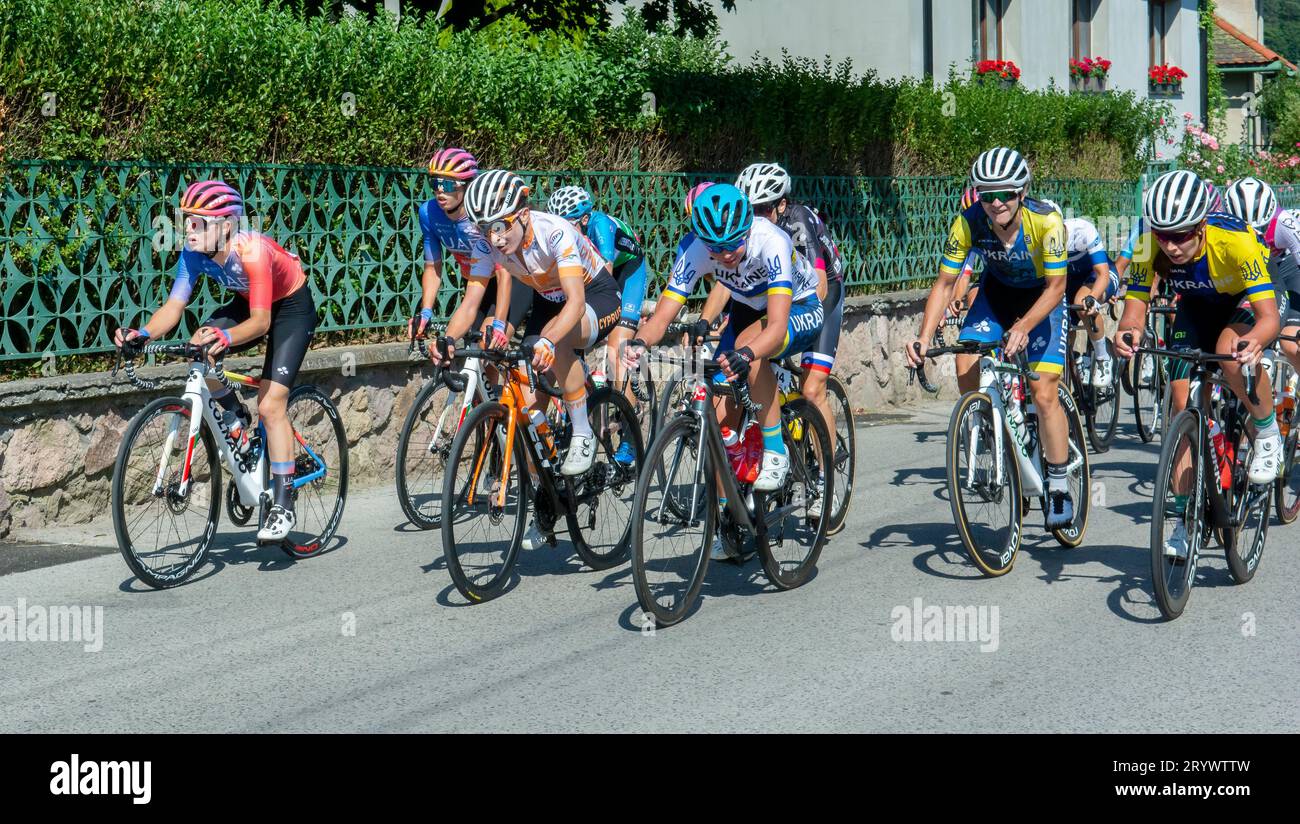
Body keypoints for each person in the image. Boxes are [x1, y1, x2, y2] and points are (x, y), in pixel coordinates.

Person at [114, 180, 315, 542]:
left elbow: (262, 322)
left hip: (289, 308)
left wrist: (225, 337)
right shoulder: (193, 252)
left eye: (198, 223)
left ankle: (283, 503)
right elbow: (175, 307)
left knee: (271, 405)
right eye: (186, 221)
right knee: (198, 346)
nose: (188, 230)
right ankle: (234, 415)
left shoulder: (251, 250)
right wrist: (141, 334)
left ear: (225, 226)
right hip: (249, 300)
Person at [1113, 170, 1281, 560]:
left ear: (1202, 226)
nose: (1170, 246)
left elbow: (1269, 318)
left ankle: (1267, 429)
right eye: (1162, 235)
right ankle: (1184, 519)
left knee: (1229, 352)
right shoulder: (1146, 244)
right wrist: (1130, 333)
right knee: (1180, 404)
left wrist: (1254, 342)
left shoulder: (1237, 242)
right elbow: (1135, 307)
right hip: (1196, 306)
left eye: (1181, 235)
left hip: (1243, 302)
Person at [905, 147, 1076, 528]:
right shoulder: (967, 222)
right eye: (987, 195)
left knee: (1044, 391)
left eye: (1005, 194)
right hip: (996, 295)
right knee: (965, 360)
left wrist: (1024, 327)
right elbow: (945, 283)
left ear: (1022, 192)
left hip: (1042, 301)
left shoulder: (1046, 222)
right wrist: (923, 337)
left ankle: (1060, 482)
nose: (996, 203)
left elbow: (1056, 288)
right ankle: (989, 429)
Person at [734, 162, 845, 469]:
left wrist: (785, 323)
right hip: (781, 293)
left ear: (782, 205)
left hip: (820, 293)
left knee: (811, 389)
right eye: (749, 210)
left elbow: (818, 287)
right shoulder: (743, 232)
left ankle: (826, 480)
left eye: (764, 209)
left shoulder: (798, 221)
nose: (756, 218)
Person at [412, 148, 533, 362]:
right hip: (476, 282)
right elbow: (433, 266)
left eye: (448, 184)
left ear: (467, 185)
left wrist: (499, 325)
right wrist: (426, 311)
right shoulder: (428, 213)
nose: (440, 192)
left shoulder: (479, 214)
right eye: (435, 184)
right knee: (463, 348)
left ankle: (505, 393)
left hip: (510, 280)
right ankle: (487, 397)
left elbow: (504, 270)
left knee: (489, 349)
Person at [1039, 200, 1122, 387]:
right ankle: (1072, 363)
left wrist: (1094, 296)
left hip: (1097, 273)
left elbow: (1102, 273)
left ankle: (1102, 359)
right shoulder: (1037, 243)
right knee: (1061, 325)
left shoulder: (1082, 230)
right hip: (1066, 280)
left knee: (1083, 303)